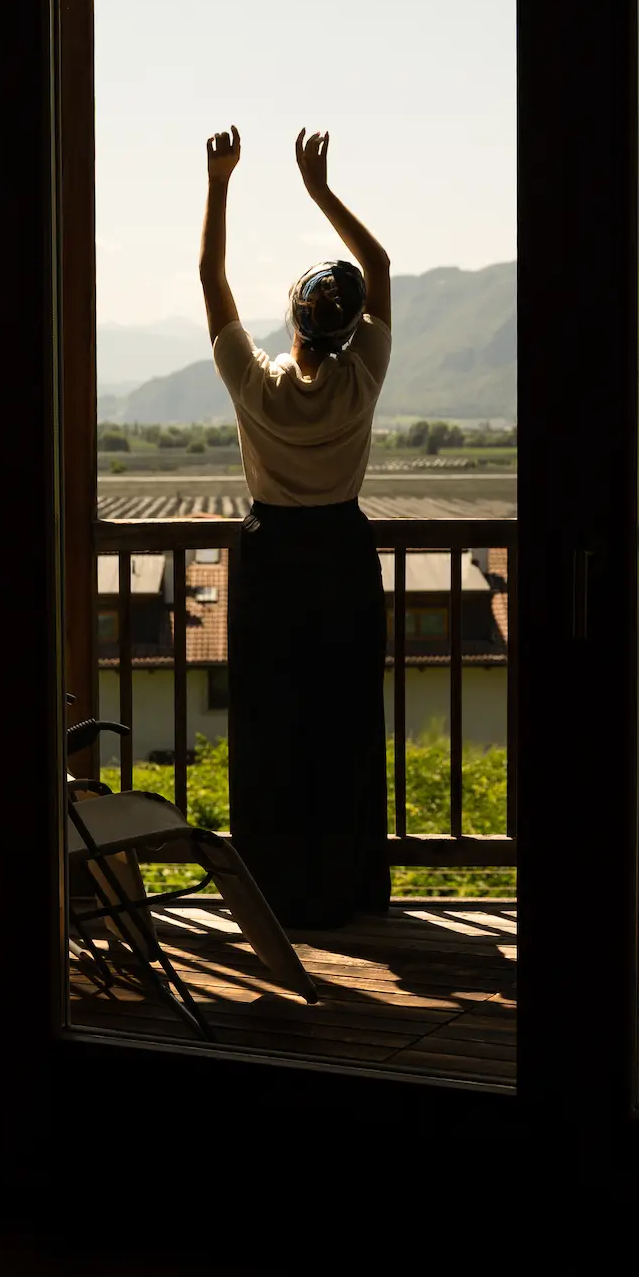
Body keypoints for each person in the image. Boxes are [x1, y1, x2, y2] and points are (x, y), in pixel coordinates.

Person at [199, 123, 392, 928]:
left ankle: (274, 888)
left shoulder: (255, 384)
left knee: (273, 722)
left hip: (272, 556)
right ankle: (348, 886)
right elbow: (377, 267)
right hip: (343, 553)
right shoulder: (365, 378)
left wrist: (221, 181)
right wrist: (320, 190)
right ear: (351, 329)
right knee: (343, 720)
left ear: (292, 319)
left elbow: (211, 275)